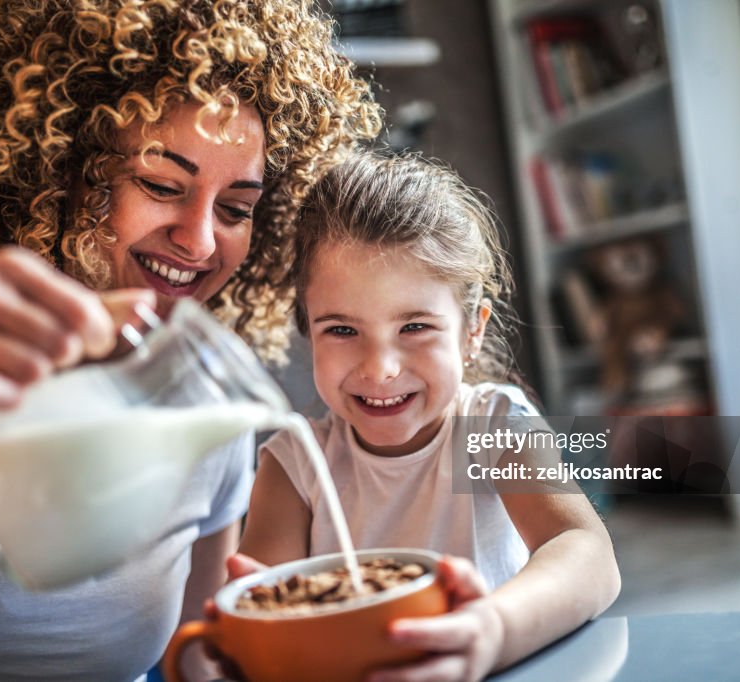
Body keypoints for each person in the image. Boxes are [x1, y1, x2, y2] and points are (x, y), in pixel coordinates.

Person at [0, 1, 380, 679]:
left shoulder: (209, 404)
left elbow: (195, 650)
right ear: (59, 169)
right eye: (161, 185)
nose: (201, 240)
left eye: (237, 209)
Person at [235, 150, 621, 682]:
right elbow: (270, 619)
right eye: (342, 330)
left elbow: (587, 552)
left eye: (414, 327)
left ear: (472, 330)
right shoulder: (293, 465)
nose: (381, 369)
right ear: (307, 331)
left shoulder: (495, 427)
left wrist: (494, 630)